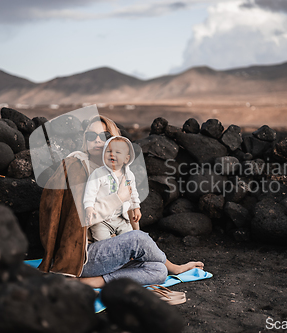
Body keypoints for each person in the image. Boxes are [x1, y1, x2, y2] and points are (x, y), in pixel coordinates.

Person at [38, 115, 203, 288]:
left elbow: (130, 216)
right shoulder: (77, 167)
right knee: (140, 240)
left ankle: (92, 282)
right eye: (91, 136)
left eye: (104, 136)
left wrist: (129, 244)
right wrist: (118, 199)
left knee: (158, 270)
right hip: (83, 254)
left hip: (111, 247)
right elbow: (77, 221)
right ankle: (175, 268)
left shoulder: (119, 171)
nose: (97, 141)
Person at [84, 136, 141, 241]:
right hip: (102, 220)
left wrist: (136, 208)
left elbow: (132, 192)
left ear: (126, 159)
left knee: (130, 238)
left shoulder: (128, 176)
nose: (112, 154)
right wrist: (89, 207)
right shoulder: (99, 173)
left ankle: (128, 254)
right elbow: (90, 192)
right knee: (102, 240)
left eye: (117, 152)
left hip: (121, 219)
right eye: (108, 151)